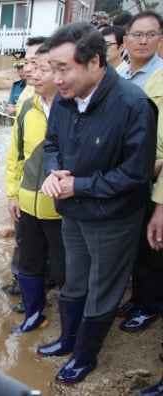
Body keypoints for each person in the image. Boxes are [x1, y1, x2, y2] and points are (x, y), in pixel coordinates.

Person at [38, 22, 157, 385]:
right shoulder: (63, 98)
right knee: (74, 279)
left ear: (94, 63)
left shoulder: (133, 105)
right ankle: (67, 339)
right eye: (51, 68)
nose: (56, 79)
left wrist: (80, 185)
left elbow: (136, 174)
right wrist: (54, 173)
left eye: (63, 69)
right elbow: (52, 143)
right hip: (73, 210)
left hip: (113, 216)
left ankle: (85, 356)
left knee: (102, 287)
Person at [6, 45, 65, 334]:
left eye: (43, 68)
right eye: (33, 67)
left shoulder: (73, 108)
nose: (34, 73)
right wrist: (13, 194)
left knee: (66, 270)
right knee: (28, 264)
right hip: (28, 202)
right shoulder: (27, 106)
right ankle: (34, 315)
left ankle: (70, 326)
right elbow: (16, 154)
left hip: (62, 208)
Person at [117, 11, 163, 331]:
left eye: (151, 34)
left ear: (160, 39)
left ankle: (150, 306)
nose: (143, 40)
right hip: (124, 175)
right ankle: (137, 298)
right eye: (137, 34)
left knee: (153, 245)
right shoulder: (118, 74)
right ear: (126, 40)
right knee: (133, 242)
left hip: (156, 174)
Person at [5, 51, 27, 116]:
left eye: (22, 67)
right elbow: (10, 111)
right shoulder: (16, 86)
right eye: (18, 68)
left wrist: (16, 108)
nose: (20, 71)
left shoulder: (36, 86)